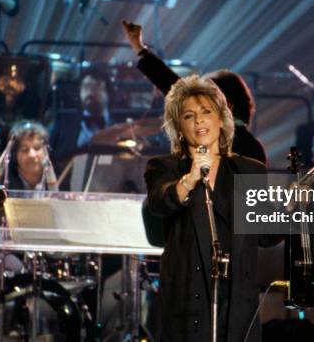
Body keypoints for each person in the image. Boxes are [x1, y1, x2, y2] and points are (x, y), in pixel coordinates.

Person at [144, 75, 279, 341]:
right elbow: (160, 202)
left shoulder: (249, 170)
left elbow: (264, 234)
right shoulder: (164, 168)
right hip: (186, 305)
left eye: (206, 112)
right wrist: (190, 178)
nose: (199, 121)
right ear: (179, 128)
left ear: (221, 118)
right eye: (189, 116)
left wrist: (294, 211)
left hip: (238, 307)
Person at [122, 20, 267, 165]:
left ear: (227, 105)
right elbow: (174, 86)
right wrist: (140, 49)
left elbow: (248, 188)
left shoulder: (248, 148)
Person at [49, 67, 113, 168]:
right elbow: (51, 160)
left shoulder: (124, 128)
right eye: (86, 87)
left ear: (108, 93)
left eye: (96, 87)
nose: (90, 92)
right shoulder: (62, 125)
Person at [0, 120, 57, 191]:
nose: (32, 155)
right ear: (15, 155)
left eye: (37, 148)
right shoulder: (3, 183)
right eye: (24, 150)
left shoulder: (60, 178)